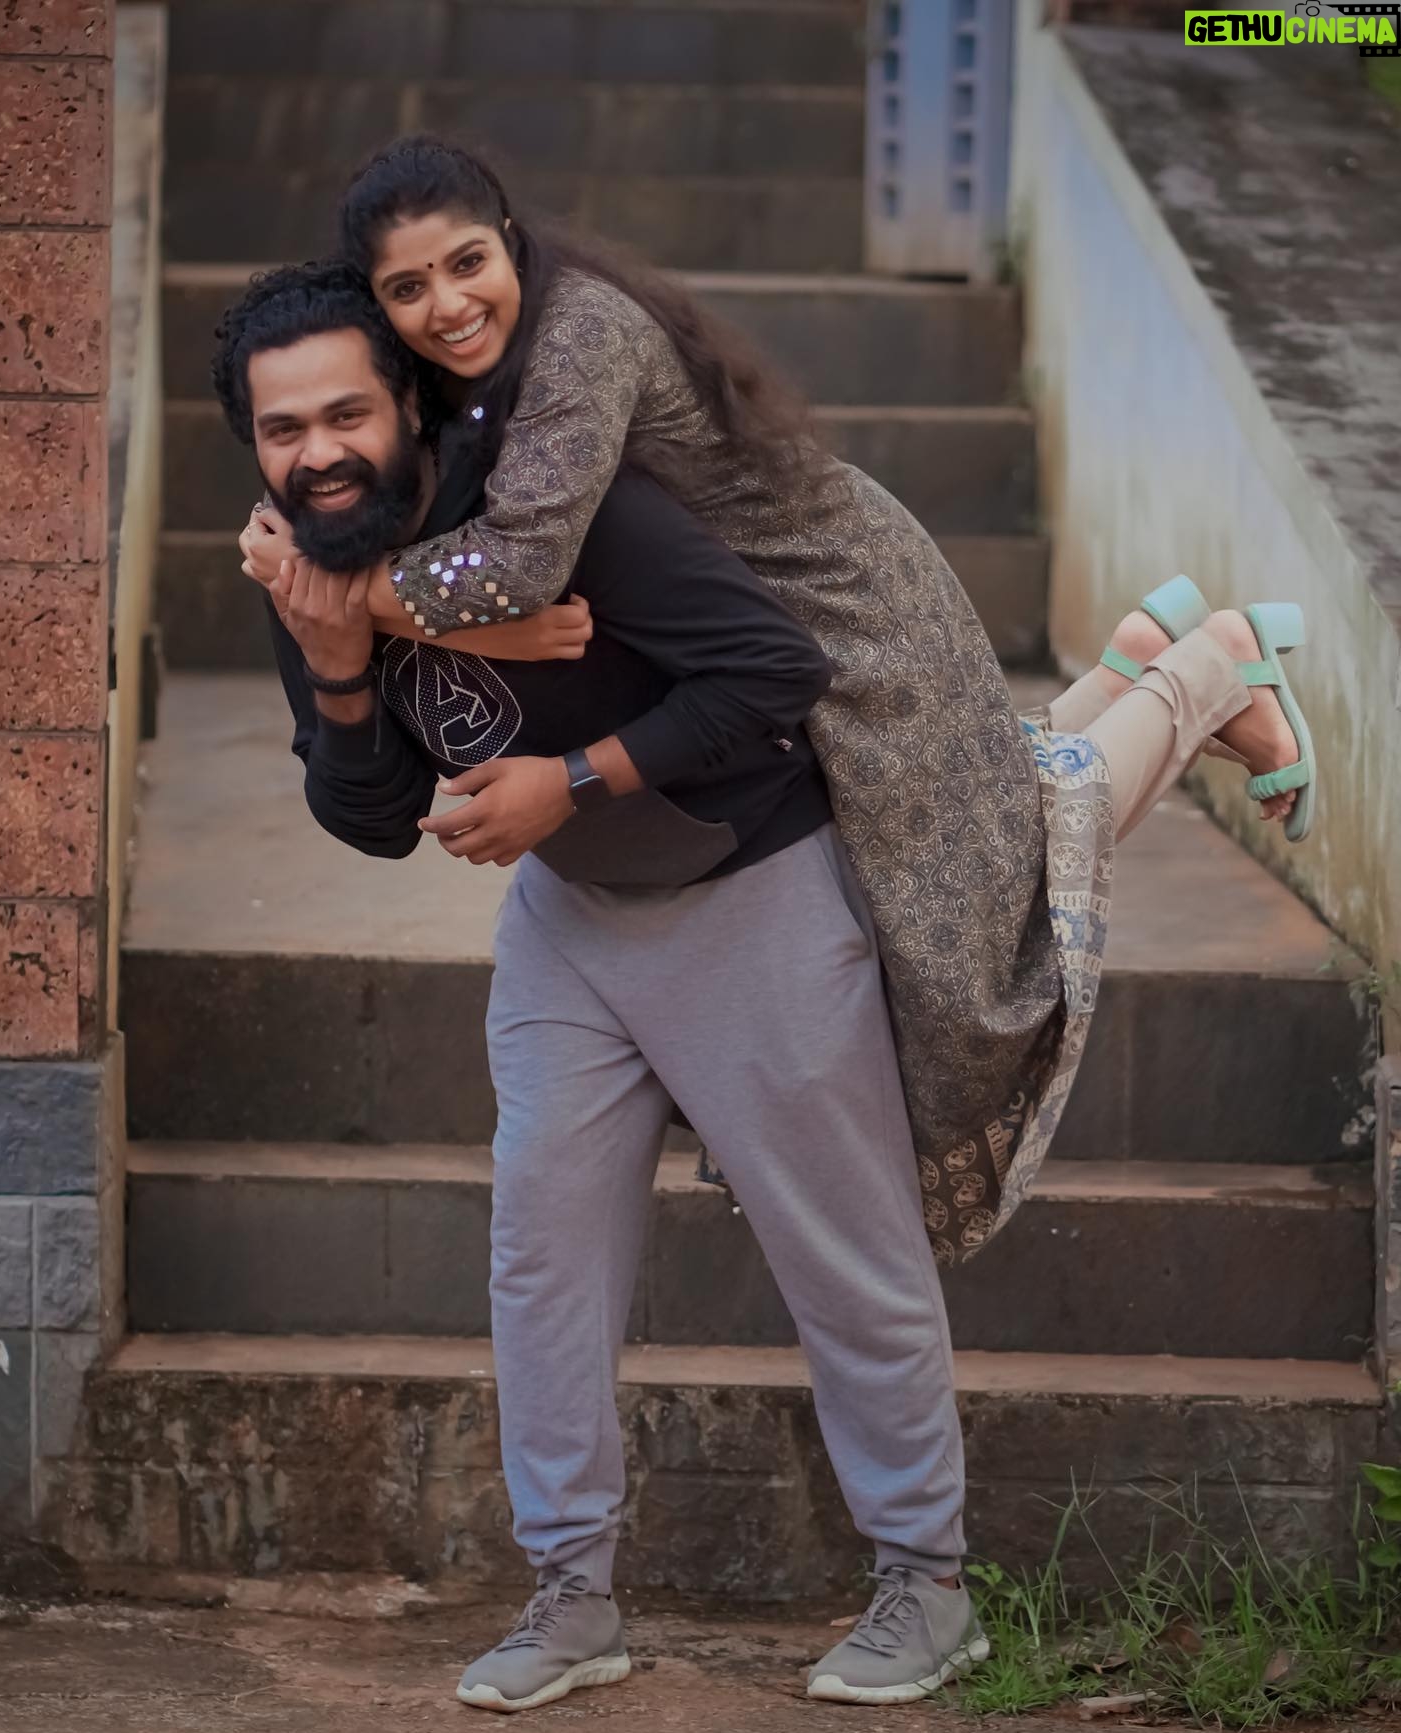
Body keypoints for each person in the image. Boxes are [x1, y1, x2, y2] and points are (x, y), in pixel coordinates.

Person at [220, 258, 1317, 1714]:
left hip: (753, 894)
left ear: (409, 405)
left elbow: (764, 673)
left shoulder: (575, 511)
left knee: (845, 1248)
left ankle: (927, 1587)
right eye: (283, 429)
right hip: (570, 925)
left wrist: (568, 780)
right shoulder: (310, 568)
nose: (319, 452)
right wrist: (339, 663)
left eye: (345, 414)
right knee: (543, 1259)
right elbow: (365, 814)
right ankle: (570, 1595)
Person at [240, 136, 1317, 1285]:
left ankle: (1211, 672)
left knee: (989, 891)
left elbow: (521, 568)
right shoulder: (459, 377)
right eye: (407, 288)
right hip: (756, 613)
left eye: (466, 263)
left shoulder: (578, 336)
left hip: (847, 609)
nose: (447, 305)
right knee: (983, 827)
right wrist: (443, 619)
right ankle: (1139, 668)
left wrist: (336, 594)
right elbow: (505, 578)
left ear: (509, 238)